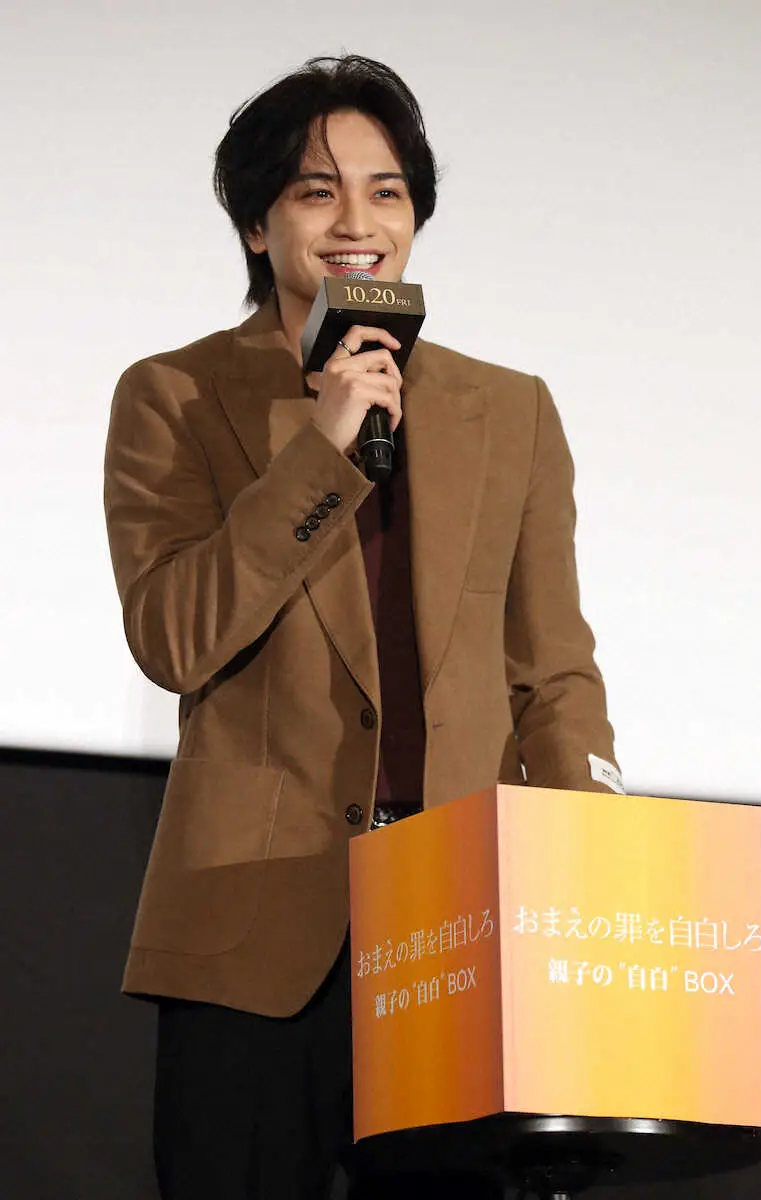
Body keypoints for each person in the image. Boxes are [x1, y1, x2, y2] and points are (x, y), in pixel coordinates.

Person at [103, 53, 621, 1200]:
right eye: (315, 190)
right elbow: (174, 637)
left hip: (453, 935)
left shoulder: (509, 409)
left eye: (385, 191)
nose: (355, 222)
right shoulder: (173, 396)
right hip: (251, 929)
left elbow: (551, 669)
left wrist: (589, 868)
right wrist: (320, 446)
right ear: (256, 225)